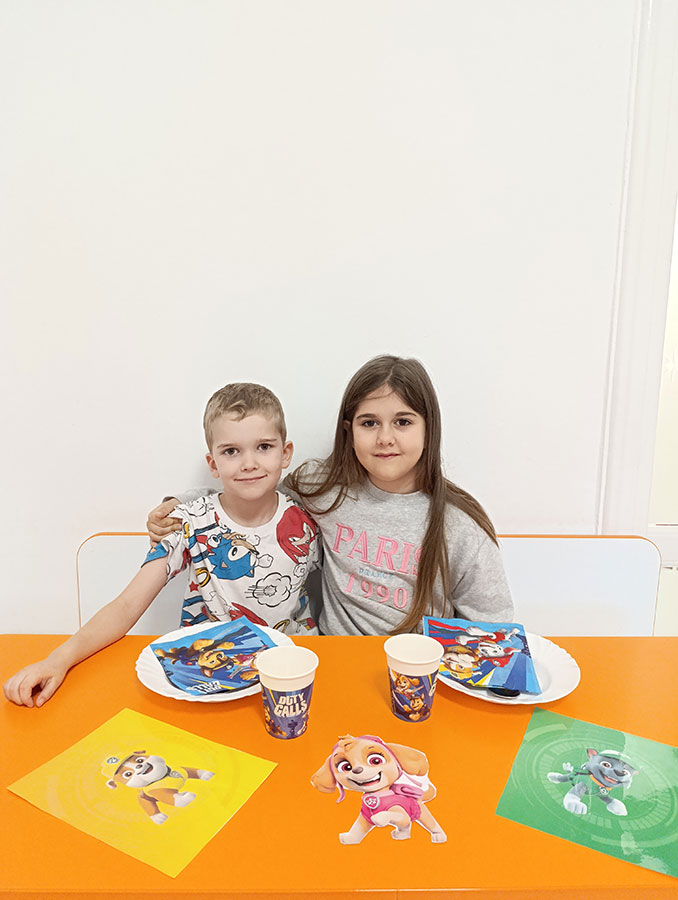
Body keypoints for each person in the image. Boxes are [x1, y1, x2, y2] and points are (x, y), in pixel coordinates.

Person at [3, 383, 320, 708]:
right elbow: (127, 605)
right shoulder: (186, 523)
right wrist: (57, 660)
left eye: (264, 447)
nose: (249, 463)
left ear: (286, 453)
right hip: (211, 677)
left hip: (294, 671)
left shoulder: (310, 519)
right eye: (231, 451)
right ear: (212, 463)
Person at [147, 356, 512, 636]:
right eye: (370, 423)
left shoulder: (461, 526)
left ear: (429, 428)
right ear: (349, 431)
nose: (385, 438)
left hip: (416, 677)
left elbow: (495, 630)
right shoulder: (323, 488)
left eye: (403, 421)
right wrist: (181, 505)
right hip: (333, 665)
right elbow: (251, 493)